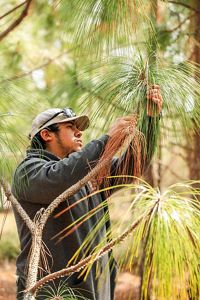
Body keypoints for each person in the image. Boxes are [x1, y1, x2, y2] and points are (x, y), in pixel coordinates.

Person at [12, 86, 163, 300]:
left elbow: (131, 167)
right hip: (53, 293)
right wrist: (108, 139)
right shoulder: (29, 171)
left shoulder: (85, 172)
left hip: (94, 290)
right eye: (70, 127)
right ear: (46, 134)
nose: (79, 132)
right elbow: (61, 177)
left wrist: (151, 120)